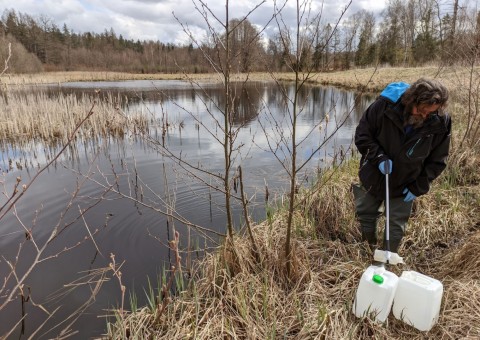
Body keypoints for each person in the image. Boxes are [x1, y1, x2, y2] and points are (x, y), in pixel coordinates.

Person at [352, 78, 451, 255]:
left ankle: (386, 261)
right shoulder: (384, 106)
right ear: (411, 100)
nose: (424, 116)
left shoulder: (441, 122)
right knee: (366, 214)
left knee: (396, 224)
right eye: (421, 111)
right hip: (373, 174)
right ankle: (368, 251)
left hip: (407, 181)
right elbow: (362, 135)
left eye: (431, 113)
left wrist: (418, 186)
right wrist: (379, 157)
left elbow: (438, 159)